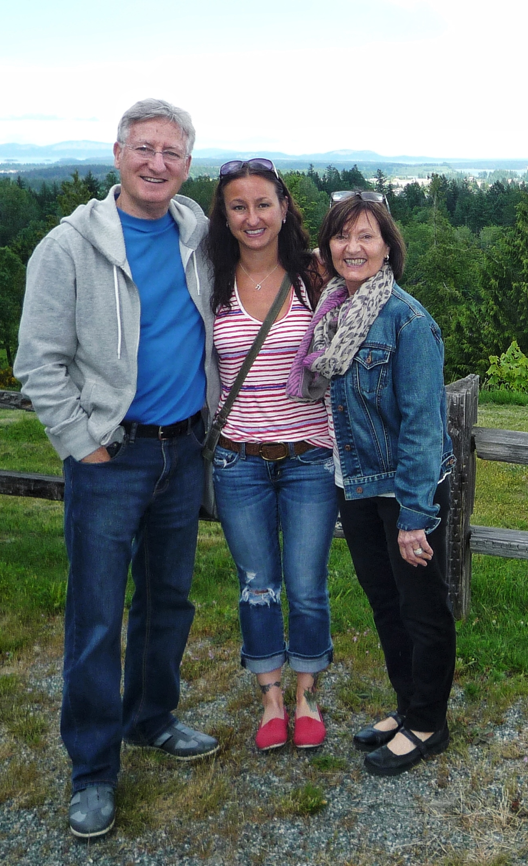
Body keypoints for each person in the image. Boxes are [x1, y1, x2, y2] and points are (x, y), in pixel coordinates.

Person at [14, 98, 221, 838]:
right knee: (97, 617)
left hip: (183, 451)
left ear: (187, 165)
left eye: (172, 152)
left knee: (168, 602)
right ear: (118, 154)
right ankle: (93, 769)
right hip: (112, 456)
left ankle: (151, 718)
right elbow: (38, 362)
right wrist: (85, 445)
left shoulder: (199, 234)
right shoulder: (68, 246)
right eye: (144, 148)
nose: (156, 163)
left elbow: (267, 257)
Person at [287, 192, 456, 776]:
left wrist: (414, 515)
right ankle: (407, 706)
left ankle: (429, 723)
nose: (352, 247)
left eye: (366, 236)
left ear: (388, 247)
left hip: (405, 491)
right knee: (386, 604)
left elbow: (423, 426)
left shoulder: (408, 320)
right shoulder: (334, 313)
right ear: (327, 247)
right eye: (341, 236)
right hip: (355, 484)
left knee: (422, 607)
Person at [206, 159, 338, 751]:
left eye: (263, 204)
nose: (252, 217)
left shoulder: (314, 276)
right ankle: (270, 698)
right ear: (225, 215)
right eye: (238, 206)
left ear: (284, 208)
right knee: (257, 584)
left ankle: (307, 693)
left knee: (307, 583)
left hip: (310, 457)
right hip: (238, 460)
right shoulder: (210, 279)